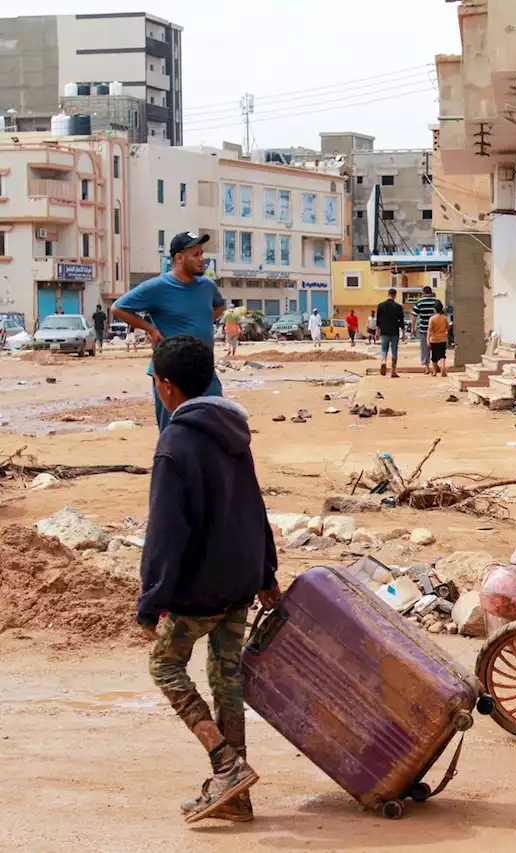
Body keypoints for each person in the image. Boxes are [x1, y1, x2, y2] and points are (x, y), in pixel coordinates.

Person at [137, 335, 281, 824]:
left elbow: (165, 531)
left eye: (156, 381)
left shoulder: (175, 442)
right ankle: (235, 797)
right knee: (226, 680)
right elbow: (255, 504)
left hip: (200, 587)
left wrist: (151, 599)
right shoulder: (233, 431)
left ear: (168, 388)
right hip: (240, 577)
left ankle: (226, 764)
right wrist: (266, 572)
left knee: (165, 666)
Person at [111, 232, 225, 432]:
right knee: (175, 431)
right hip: (171, 374)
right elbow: (118, 308)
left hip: (205, 369)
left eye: (202, 254)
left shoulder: (207, 286)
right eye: (196, 255)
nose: (202, 260)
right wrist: (151, 329)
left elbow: (219, 307)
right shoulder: (158, 287)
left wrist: (200, 323)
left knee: (215, 428)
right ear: (179, 258)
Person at [376, 288, 405, 377]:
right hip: (394, 331)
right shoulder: (398, 307)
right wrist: (403, 333)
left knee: (384, 349)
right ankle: (393, 371)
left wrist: (377, 332)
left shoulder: (380, 306)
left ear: (388, 294)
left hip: (384, 331)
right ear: (395, 295)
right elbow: (401, 321)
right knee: (394, 351)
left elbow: (378, 320)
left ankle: (383, 361)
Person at [413, 288, 444, 367]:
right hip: (436, 330)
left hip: (424, 329)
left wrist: (413, 327)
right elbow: (442, 314)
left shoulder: (419, 302)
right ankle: (435, 364)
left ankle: (427, 367)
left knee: (424, 349)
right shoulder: (437, 301)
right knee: (436, 348)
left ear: (423, 293)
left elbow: (414, 316)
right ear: (431, 292)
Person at [427, 306, 450, 377]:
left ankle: (434, 372)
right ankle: (443, 368)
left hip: (433, 339)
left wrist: (427, 339)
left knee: (434, 356)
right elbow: (448, 327)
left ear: (435, 310)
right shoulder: (444, 318)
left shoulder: (432, 318)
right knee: (442, 355)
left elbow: (429, 330)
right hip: (442, 339)